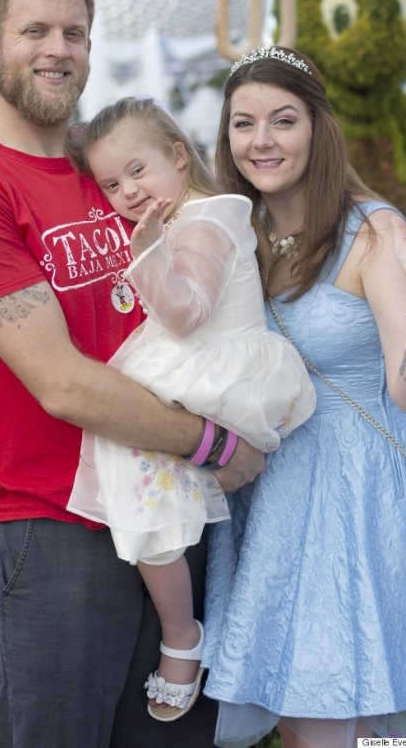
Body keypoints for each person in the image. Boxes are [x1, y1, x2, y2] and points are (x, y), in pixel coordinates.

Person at [0, 0, 264, 748]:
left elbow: (233, 222)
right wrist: (216, 443)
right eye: (34, 28)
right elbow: (64, 385)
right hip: (55, 531)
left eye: (75, 31)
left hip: (175, 508)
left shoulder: (108, 168)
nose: (58, 48)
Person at [201, 47, 406, 747]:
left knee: (364, 715)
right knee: (309, 721)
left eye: (284, 120)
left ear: (317, 127)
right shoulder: (230, 235)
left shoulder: (373, 231)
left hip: (362, 499)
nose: (262, 141)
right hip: (273, 499)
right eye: (243, 123)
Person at [66, 98, 315, 722]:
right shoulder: (179, 215)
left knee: (134, 471)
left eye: (138, 171)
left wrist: (145, 252)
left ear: (179, 154)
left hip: (219, 371)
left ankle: (183, 636)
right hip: (194, 368)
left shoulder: (206, 217)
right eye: (112, 184)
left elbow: (187, 314)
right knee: (140, 476)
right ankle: (183, 629)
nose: (127, 193)